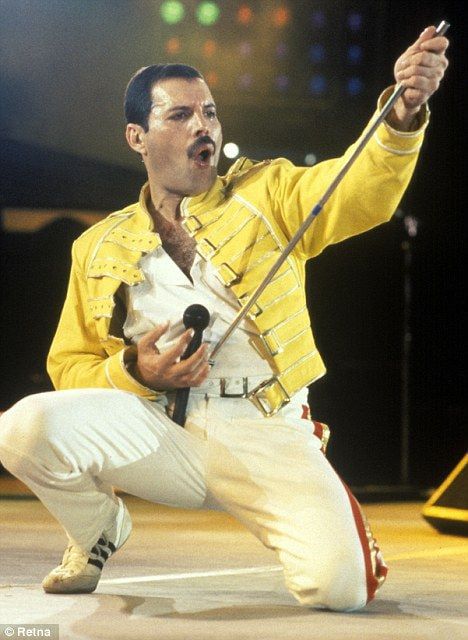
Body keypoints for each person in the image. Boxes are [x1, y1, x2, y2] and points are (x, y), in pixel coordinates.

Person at [0, 26, 448, 611]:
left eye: (209, 113)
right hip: (160, 431)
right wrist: (139, 371)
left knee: (340, 589)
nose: (202, 126)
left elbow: (358, 190)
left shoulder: (269, 192)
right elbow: (68, 364)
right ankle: (97, 530)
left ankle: (343, 542)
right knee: (23, 426)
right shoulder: (99, 244)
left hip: (263, 428)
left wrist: (404, 110)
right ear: (138, 135)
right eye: (181, 115)